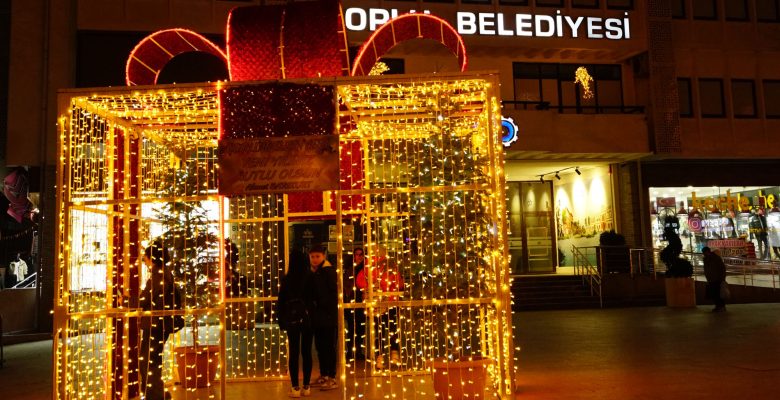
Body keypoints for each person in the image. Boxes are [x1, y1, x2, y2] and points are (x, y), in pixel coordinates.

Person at [137, 241, 183, 400]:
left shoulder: (158, 277)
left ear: (152, 258)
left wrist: (126, 301)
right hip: (162, 324)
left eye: (146, 257)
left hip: (155, 324)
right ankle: (158, 393)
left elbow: (144, 300)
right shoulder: (166, 273)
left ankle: (154, 395)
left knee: (148, 362)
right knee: (153, 360)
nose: (144, 260)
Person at [356, 247, 404, 369]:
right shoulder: (389, 267)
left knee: (379, 331)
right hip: (390, 301)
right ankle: (394, 353)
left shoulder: (367, 267)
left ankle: (380, 356)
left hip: (377, 303)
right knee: (392, 328)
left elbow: (360, 281)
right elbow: (399, 283)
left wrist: (371, 287)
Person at [277, 251, 314, 398]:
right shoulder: (310, 278)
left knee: (293, 352)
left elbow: (281, 302)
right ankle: (307, 386)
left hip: (292, 319)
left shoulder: (287, 279)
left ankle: (295, 388)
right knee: (307, 352)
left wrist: (281, 320)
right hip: (307, 319)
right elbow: (314, 299)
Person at [307, 244, 338, 391]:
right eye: (312, 256)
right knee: (320, 347)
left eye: (317, 256)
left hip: (327, 315)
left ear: (323, 256)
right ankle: (324, 375)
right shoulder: (315, 271)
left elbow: (331, 294)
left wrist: (322, 304)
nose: (314, 259)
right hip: (319, 316)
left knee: (328, 347)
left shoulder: (327, 271)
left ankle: (332, 377)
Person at [344, 247, 365, 361]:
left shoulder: (366, 269)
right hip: (352, 300)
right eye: (357, 254)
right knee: (351, 327)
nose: (359, 257)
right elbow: (346, 284)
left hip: (362, 300)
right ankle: (350, 351)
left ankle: (358, 351)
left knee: (361, 327)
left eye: (361, 254)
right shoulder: (349, 269)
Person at [702, 246, 727, 312]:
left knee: (718, 294)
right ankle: (718, 306)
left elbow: (722, 268)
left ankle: (721, 306)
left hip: (717, 279)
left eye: (704, 252)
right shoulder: (706, 259)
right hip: (711, 279)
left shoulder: (715, 258)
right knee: (714, 294)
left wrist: (722, 278)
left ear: (708, 251)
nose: (704, 254)